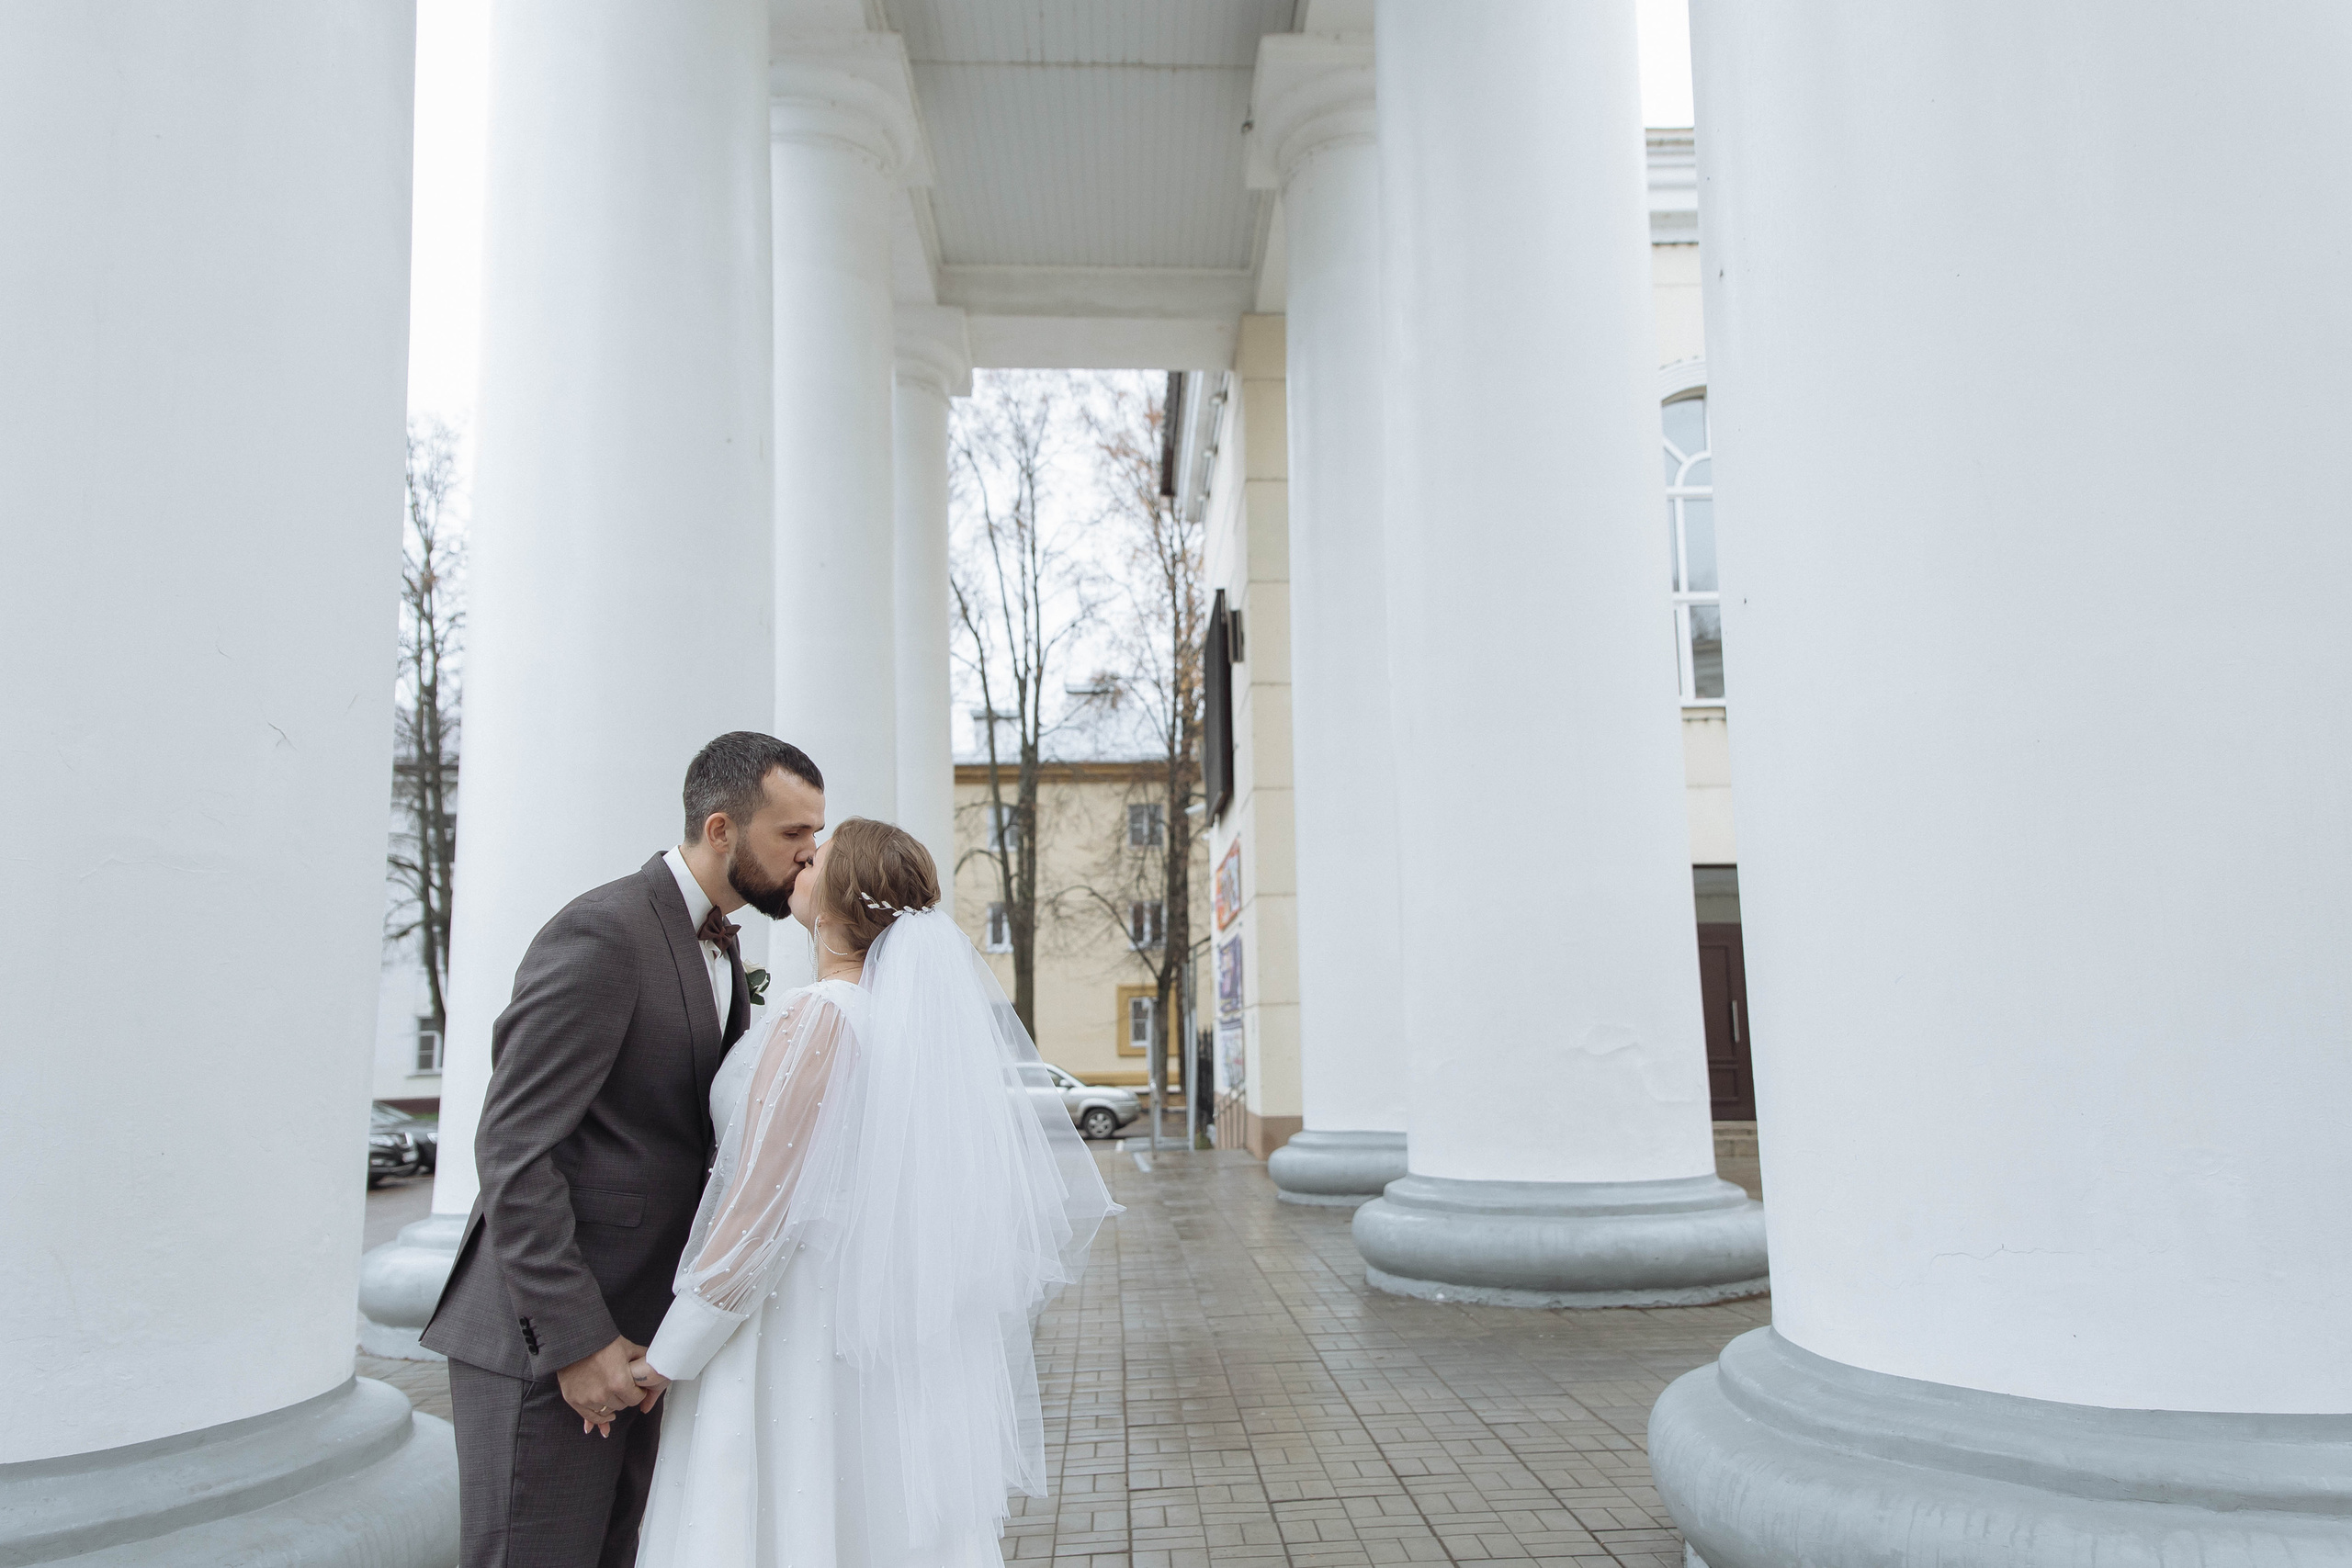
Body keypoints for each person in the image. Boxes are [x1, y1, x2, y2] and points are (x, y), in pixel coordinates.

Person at [626, 818, 1120, 1568]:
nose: (799, 859)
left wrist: (672, 1351)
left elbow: (763, 1202)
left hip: (784, 1319)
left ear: (832, 903)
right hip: (847, 1313)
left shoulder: (824, 1014)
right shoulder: (892, 1026)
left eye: (815, 857)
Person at [420, 732, 826, 1568]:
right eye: (793, 835)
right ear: (722, 829)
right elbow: (513, 1146)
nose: (808, 855)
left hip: (640, 1343)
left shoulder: (722, 942)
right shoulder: (604, 933)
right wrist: (575, 1342)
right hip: (551, 1349)